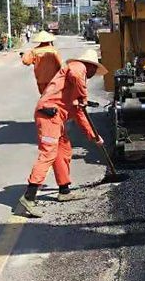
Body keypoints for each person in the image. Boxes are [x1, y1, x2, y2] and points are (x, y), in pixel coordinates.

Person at [18, 48, 108, 217]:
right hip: (48, 114)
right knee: (48, 153)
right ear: (89, 66)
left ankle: (64, 190)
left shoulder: (74, 85)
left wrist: (94, 136)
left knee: (64, 151)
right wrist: (84, 97)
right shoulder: (77, 67)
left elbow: (80, 114)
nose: (94, 73)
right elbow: (76, 74)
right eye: (94, 69)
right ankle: (29, 197)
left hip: (57, 118)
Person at [21, 31, 62, 95]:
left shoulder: (34, 51)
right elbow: (60, 65)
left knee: (43, 95)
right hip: (53, 78)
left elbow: (26, 61)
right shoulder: (54, 50)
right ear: (49, 40)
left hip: (41, 78)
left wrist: (24, 55)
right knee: (52, 96)